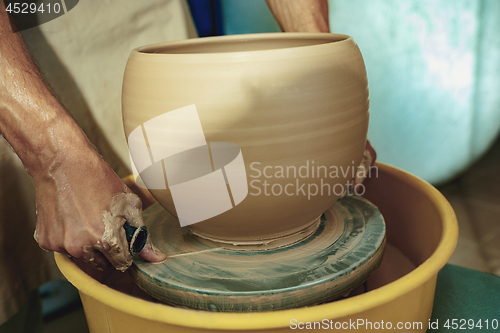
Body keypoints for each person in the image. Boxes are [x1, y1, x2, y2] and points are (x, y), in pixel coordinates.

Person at [1, 0, 373, 330]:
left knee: (180, 196)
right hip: (15, 60)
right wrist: (53, 157)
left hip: (135, 23)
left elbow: (320, 70)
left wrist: (325, 77)